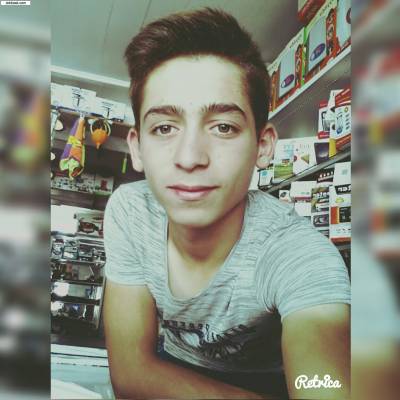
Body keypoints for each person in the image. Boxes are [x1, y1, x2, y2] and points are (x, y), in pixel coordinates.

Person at [103, 8, 350, 399]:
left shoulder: (299, 254)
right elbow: (131, 372)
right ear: (137, 148)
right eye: (164, 128)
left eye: (223, 127)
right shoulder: (131, 212)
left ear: (263, 146)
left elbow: (324, 384)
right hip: (171, 364)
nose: (190, 157)